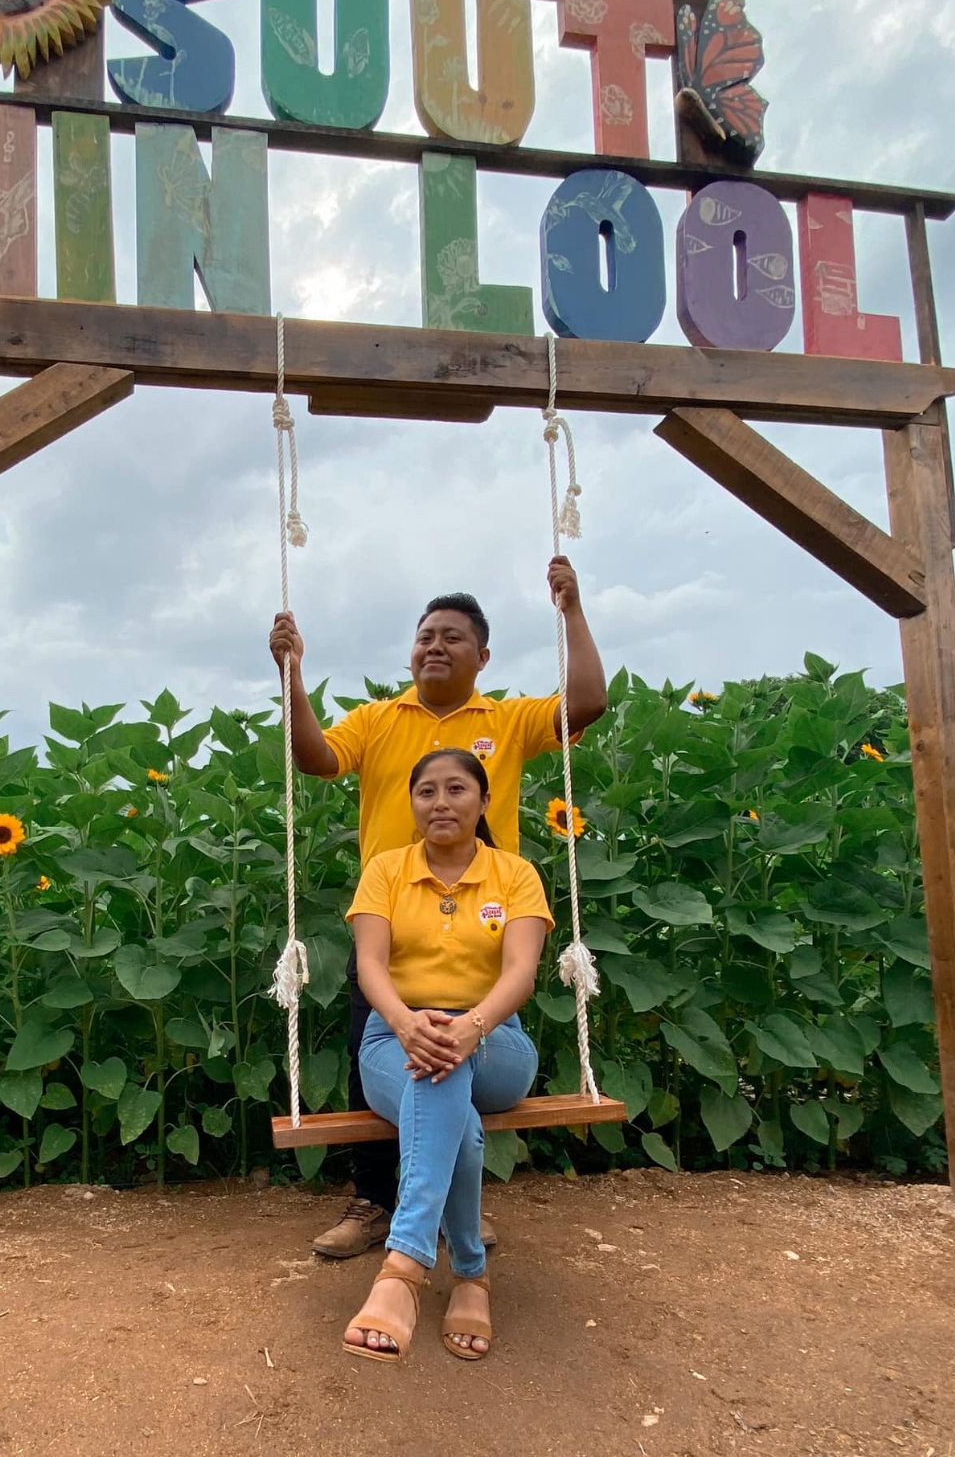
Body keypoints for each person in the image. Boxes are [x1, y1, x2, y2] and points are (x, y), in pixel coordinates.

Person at [267, 559, 606, 1259]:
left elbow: (586, 704)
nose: (434, 647)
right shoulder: (379, 719)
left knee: (446, 1056)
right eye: (425, 635)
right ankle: (378, 1203)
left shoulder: (506, 720)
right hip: (389, 929)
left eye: (452, 637)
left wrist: (571, 610)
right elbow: (314, 758)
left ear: (482, 656)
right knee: (393, 1062)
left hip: (481, 934)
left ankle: (430, 1217)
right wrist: (292, 672)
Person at [341, 748, 549, 1360]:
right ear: (412, 806)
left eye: (456, 789)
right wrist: (408, 1024)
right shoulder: (385, 870)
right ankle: (468, 1275)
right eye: (426, 791)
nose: (440, 802)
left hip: (496, 1042)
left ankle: (402, 1271)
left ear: (484, 802)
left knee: (443, 1062)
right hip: (393, 1038)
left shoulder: (516, 874)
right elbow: (371, 966)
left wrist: (471, 1027)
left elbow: (522, 974)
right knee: (438, 1078)